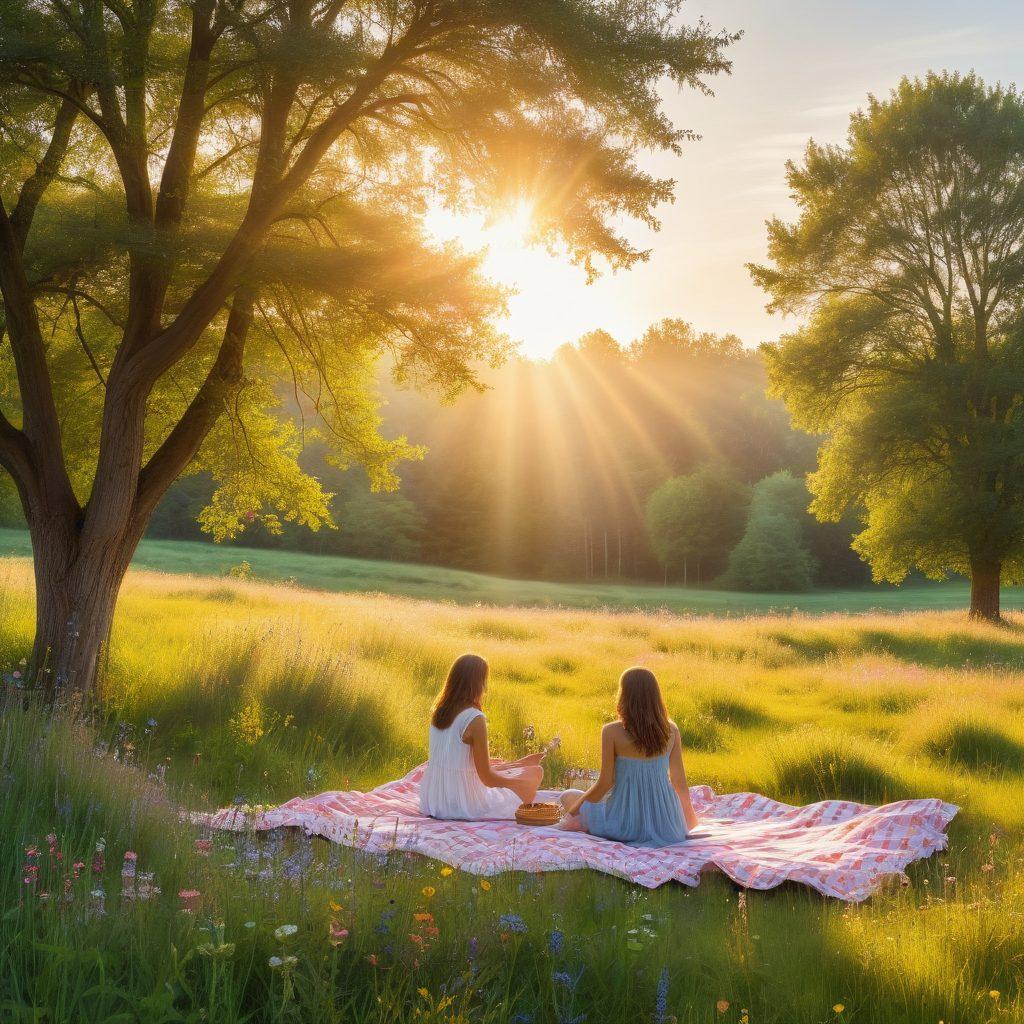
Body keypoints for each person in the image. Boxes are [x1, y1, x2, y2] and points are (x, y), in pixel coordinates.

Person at [559, 666, 698, 846]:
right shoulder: (671, 730)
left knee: (568, 796)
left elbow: (605, 783)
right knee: (580, 800)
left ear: (624, 696)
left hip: (624, 824)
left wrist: (572, 813)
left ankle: (581, 818)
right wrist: (689, 820)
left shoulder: (611, 732)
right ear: (656, 696)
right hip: (666, 824)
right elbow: (680, 783)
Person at [420, 653, 545, 819]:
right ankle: (517, 772)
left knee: (507, 766)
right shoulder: (474, 718)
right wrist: (517, 785)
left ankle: (516, 765)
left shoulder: (439, 711)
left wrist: (507, 768)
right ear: (478, 683)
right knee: (536, 773)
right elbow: (487, 779)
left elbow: (458, 760)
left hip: (434, 801)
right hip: (463, 805)